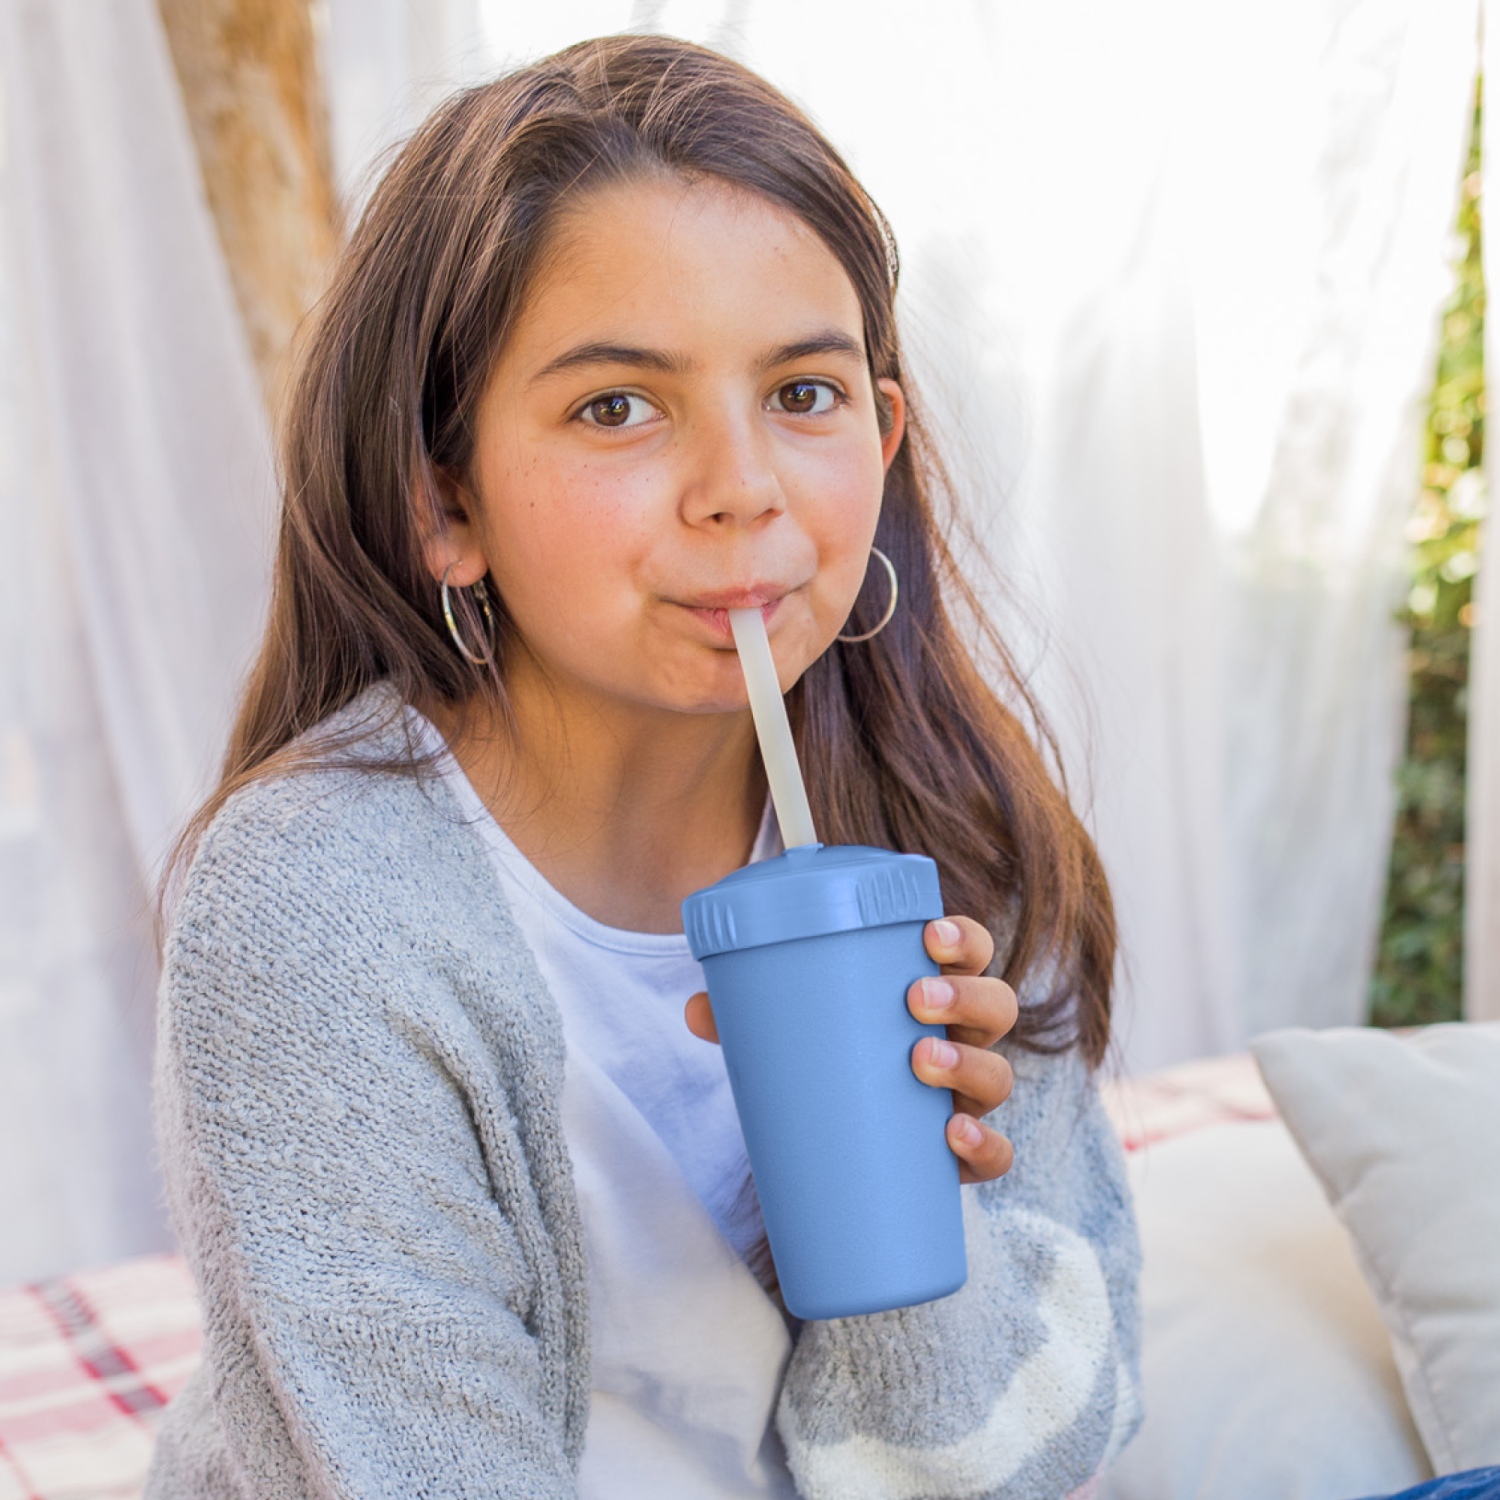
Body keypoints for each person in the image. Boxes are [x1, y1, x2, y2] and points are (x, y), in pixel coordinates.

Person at [146, 33, 1141, 1500]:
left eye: (802, 395)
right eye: (617, 406)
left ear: (883, 436)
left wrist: (913, 1241)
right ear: (444, 503)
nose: (740, 489)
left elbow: (1044, 1445)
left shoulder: (951, 822)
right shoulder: (314, 910)